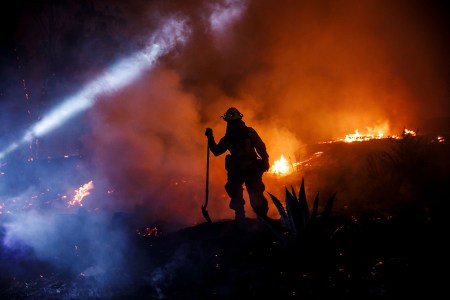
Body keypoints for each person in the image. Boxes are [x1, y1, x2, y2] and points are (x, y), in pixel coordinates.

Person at [205, 107, 270, 222]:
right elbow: (216, 151)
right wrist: (210, 138)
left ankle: (262, 219)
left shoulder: (249, 132)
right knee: (234, 190)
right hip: (237, 169)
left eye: (235, 122)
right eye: (231, 123)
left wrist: (265, 159)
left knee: (255, 192)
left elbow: (260, 146)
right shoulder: (228, 138)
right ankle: (241, 217)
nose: (233, 125)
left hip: (249, 168)